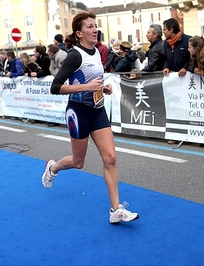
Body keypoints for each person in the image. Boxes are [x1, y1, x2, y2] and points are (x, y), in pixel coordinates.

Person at [43, 11, 139, 224]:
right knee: (78, 162)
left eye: (95, 26)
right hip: (78, 112)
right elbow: (55, 87)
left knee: (111, 158)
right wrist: (86, 87)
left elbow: (93, 79)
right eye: (89, 26)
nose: (95, 29)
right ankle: (53, 168)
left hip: (98, 109)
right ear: (79, 33)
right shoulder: (75, 55)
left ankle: (115, 209)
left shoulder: (96, 52)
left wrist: (102, 88)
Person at [162, 18, 191, 145]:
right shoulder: (166, 43)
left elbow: (194, 58)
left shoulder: (188, 40)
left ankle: (189, 134)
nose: (163, 32)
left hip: (187, 79)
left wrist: (186, 68)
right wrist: (166, 67)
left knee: (187, 107)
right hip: (173, 81)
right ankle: (175, 134)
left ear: (171, 30)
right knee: (174, 106)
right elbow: (166, 58)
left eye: (164, 29)